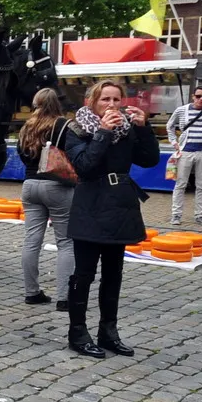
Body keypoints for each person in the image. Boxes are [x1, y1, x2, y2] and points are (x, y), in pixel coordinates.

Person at [59, 80, 159, 358]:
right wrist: (103, 132)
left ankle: (108, 331)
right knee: (84, 273)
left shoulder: (126, 129)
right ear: (92, 101)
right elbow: (85, 166)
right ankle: (77, 333)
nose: (112, 105)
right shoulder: (77, 129)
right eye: (106, 99)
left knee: (114, 273)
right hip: (90, 205)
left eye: (117, 99)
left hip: (120, 206)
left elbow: (149, 159)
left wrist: (144, 128)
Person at [15, 87, 75, 308]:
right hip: (57, 185)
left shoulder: (27, 126)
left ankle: (31, 292)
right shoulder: (64, 125)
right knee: (66, 242)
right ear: (57, 103)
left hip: (30, 185)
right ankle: (64, 298)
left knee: (32, 240)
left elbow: (22, 155)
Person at [168, 85, 202, 227]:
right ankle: (176, 215)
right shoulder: (182, 110)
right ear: (193, 96)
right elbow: (170, 125)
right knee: (181, 184)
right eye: (198, 96)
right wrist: (174, 142)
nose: (201, 99)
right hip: (186, 151)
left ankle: (200, 215)